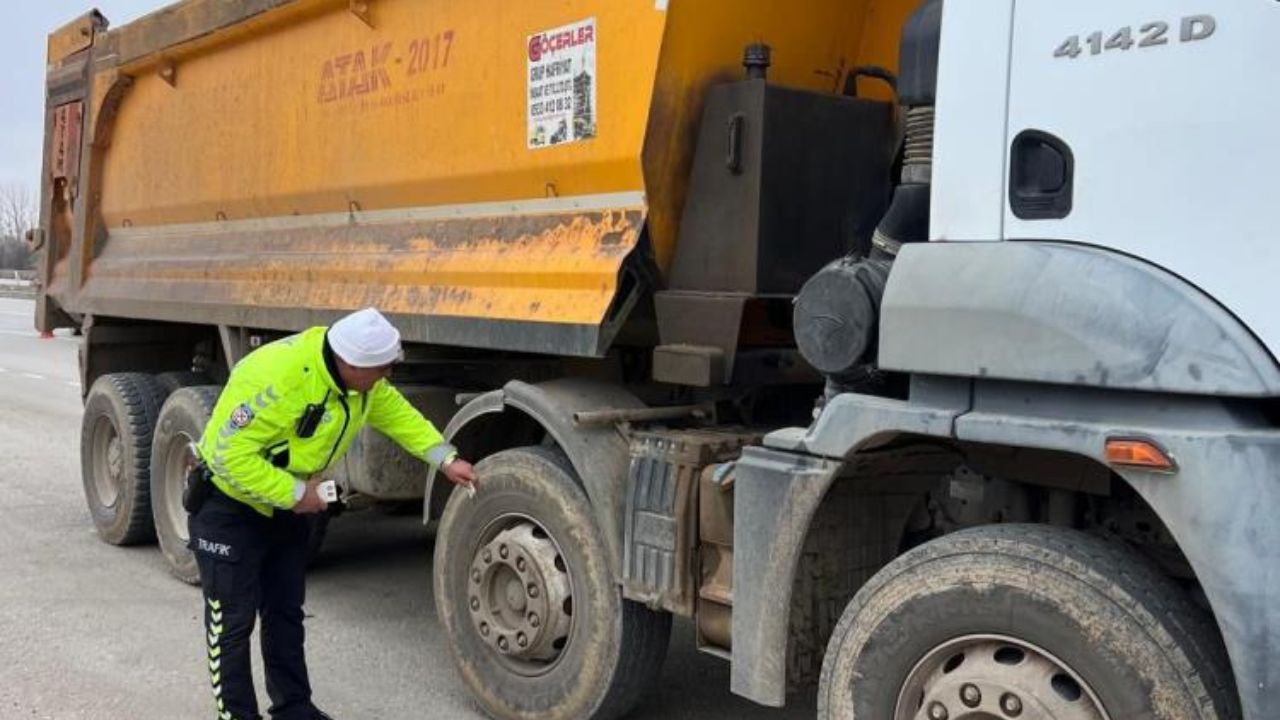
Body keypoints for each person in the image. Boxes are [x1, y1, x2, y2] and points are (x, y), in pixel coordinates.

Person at [187, 308, 477, 720]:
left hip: (286, 509)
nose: (386, 378)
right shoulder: (278, 379)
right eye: (381, 370)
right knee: (231, 625)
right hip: (230, 507)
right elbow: (226, 454)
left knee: (285, 613)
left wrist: (445, 458)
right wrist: (294, 493)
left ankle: (294, 708)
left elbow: (399, 416)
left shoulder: (361, 383)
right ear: (350, 363)